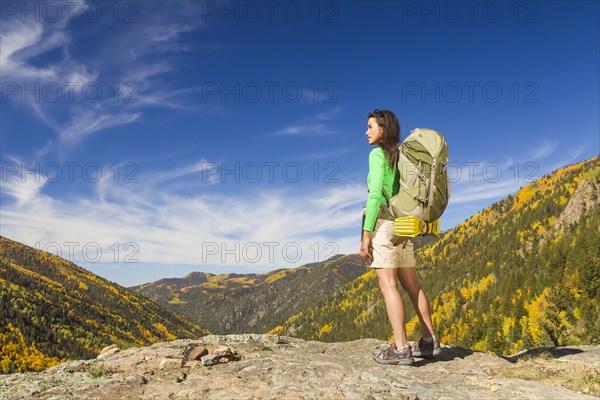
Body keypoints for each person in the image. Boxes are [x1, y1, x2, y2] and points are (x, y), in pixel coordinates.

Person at [360, 109, 441, 366]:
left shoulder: (377, 155)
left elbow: (374, 196)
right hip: (405, 225)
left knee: (389, 287)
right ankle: (429, 340)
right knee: (412, 285)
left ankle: (401, 347)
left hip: (385, 225)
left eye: (371, 126)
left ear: (383, 129)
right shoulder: (402, 155)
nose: (366, 131)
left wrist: (366, 235)